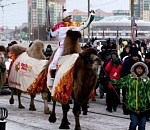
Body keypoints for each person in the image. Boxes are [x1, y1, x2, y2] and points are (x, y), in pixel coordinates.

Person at [46, 9, 95, 84]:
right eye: (69, 16)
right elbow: (52, 34)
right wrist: (49, 30)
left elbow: (85, 24)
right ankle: (52, 79)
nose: (70, 18)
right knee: (54, 61)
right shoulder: (58, 26)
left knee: (82, 58)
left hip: (74, 45)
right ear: (65, 17)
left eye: (70, 16)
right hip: (62, 46)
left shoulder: (74, 25)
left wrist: (91, 16)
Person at [110, 62, 150, 130]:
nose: (139, 70)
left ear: (144, 70)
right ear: (135, 69)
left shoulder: (147, 80)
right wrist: (110, 81)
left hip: (144, 107)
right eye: (138, 68)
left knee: (142, 126)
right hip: (132, 106)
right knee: (134, 123)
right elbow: (120, 83)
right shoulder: (129, 78)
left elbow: (149, 92)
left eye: (141, 69)